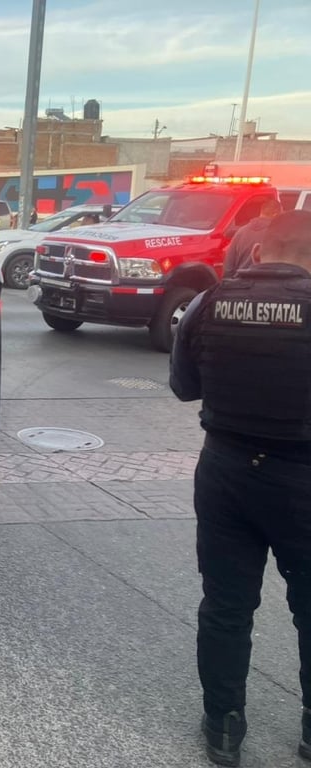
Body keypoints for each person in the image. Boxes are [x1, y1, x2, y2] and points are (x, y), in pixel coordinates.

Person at [170, 209, 311, 766]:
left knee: (227, 604)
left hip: (226, 471)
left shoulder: (209, 303)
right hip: (303, 477)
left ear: (256, 252)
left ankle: (224, 726)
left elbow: (184, 387)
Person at [224, 198, 283, 277]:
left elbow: (228, 266)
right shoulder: (278, 234)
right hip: (264, 283)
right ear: (275, 214)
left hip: (240, 283)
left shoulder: (241, 232)